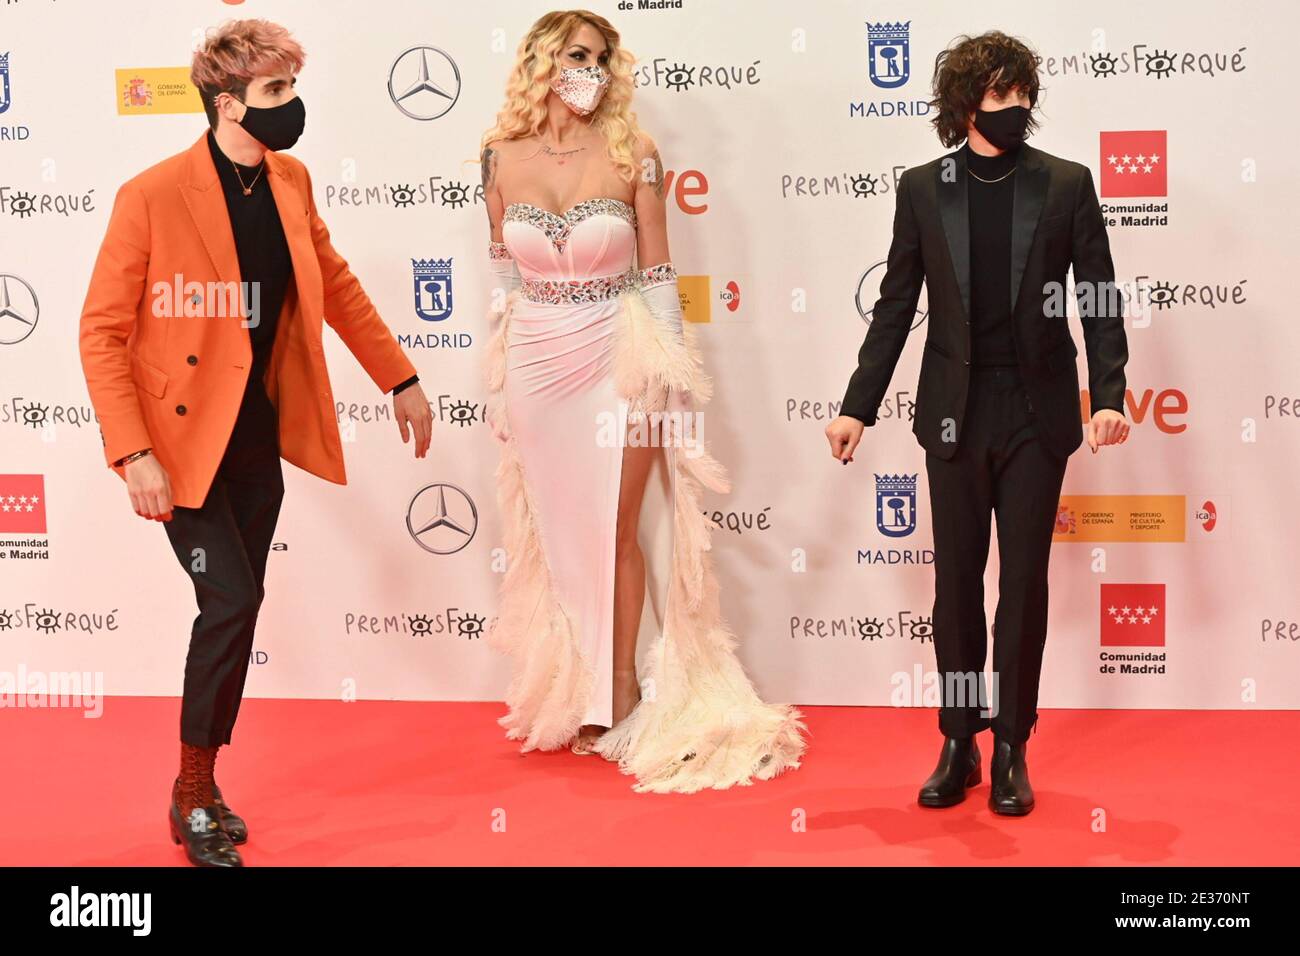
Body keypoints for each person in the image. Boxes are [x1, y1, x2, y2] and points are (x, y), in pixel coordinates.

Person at [79, 18, 432, 865]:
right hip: (179, 445)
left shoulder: (290, 179)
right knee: (229, 601)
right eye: (276, 93)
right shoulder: (154, 194)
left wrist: (401, 377)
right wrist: (135, 455)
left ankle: (201, 783)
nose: (292, 106)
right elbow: (100, 331)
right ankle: (192, 790)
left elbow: (335, 282)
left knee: (235, 610)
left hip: (256, 441)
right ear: (226, 103)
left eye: (292, 88)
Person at [480, 9, 805, 793]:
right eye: (574, 55)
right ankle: (573, 684)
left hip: (614, 357)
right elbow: (501, 265)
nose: (588, 69)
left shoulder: (636, 153)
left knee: (615, 527)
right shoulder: (497, 157)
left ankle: (619, 691)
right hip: (535, 358)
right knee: (559, 534)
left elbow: (658, 271)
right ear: (541, 62)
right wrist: (501, 355)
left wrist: (668, 368)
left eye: (599, 56)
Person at [826, 31, 1130, 815]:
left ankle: (1013, 748)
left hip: (1036, 414)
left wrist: (1106, 394)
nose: (1016, 108)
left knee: (1023, 585)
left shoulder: (1065, 184)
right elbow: (896, 305)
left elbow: (1097, 295)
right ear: (967, 104)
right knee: (957, 583)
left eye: (1024, 93)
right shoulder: (925, 188)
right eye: (1000, 95)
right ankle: (959, 740)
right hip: (954, 415)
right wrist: (859, 403)